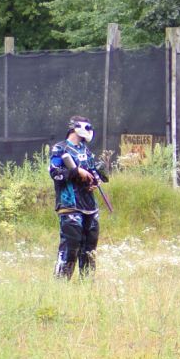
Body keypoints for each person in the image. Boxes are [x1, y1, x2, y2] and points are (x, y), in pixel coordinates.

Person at [49, 115, 108, 279]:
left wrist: (94, 181)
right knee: (71, 246)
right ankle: (61, 283)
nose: (89, 131)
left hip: (90, 205)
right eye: (87, 127)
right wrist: (76, 171)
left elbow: (93, 171)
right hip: (69, 204)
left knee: (90, 248)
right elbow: (55, 173)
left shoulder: (86, 150)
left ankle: (86, 284)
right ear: (75, 128)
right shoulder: (60, 149)